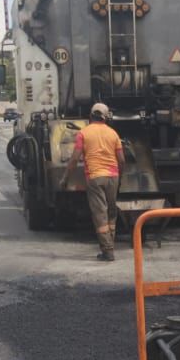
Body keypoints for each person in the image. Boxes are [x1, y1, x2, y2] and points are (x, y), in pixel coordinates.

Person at [62, 102, 124, 261]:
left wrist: (65, 178)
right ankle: (111, 245)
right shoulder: (113, 134)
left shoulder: (83, 133)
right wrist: (119, 176)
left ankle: (108, 251)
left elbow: (75, 159)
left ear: (91, 116)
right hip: (113, 176)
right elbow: (121, 160)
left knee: (100, 214)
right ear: (106, 117)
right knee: (111, 212)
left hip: (95, 177)